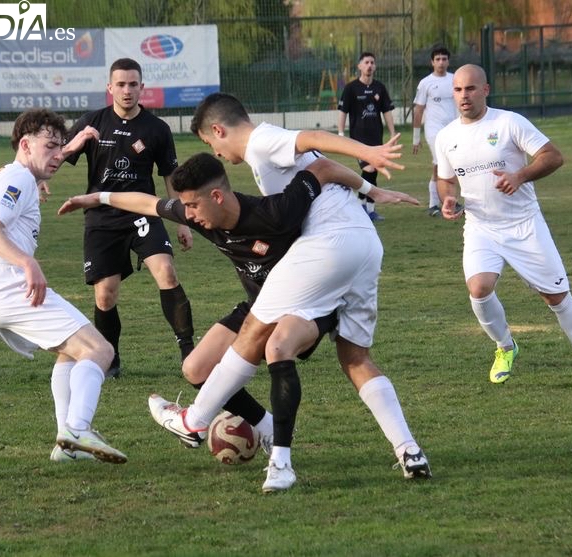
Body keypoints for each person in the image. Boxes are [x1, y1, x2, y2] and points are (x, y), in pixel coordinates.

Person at [150, 92, 430, 493]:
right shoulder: (267, 149)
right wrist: (372, 191)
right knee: (355, 357)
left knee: (255, 330)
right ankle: (409, 451)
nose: (216, 153)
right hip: (365, 245)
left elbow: (314, 138)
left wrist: (367, 151)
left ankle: (194, 421)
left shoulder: (261, 142)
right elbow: (325, 167)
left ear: (218, 130)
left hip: (328, 244)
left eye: (210, 143)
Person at [59, 153, 354, 454]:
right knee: (195, 368)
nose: (188, 215)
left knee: (276, 349)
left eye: (192, 205)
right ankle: (266, 427)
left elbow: (321, 168)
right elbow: (148, 203)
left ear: (216, 197)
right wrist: (98, 197)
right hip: (259, 305)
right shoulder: (202, 216)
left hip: (304, 307)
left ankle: (206, 427)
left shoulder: (275, 212)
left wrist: (370, 190)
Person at [0, 108, 128, 465]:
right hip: (5, 285)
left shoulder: (6, 175)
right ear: (25, 145)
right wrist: (27, 262)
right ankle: (77, 429)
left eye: (60, 147)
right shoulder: (19, 178)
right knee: (100, 351)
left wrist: (57, 158)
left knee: (70, 350)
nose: (57, 155)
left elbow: (17, 187)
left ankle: (66, 445)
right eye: (50, 147)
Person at [435, 64, 572, 390]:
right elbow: (445, 180)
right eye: (457, 90)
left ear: (485, 90)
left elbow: (552, 156)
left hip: (524, 225)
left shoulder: (509, 122)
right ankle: (505, 346)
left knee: (556, 297)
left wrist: (520, 176)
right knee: (478, 290)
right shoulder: (446, 137)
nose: (463, 96)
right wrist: (448, 199)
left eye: (470, 88)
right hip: (480, 226)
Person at [62, 58, 194, 378]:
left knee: (167, 272)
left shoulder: (157, 129)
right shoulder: (92, 122)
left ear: (142, 87)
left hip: (143, 212)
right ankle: (111, 359)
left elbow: (170, 176)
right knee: (105, 294)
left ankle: (189, 351)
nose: (127, 90)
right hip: (102, 218)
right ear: (110, 87)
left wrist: (181, 221)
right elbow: (60, 154)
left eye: (133, 84)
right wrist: (40, 179)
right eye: (120, 84)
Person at [337, 52, 396, 222]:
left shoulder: (379, 88)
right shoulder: (351, 88)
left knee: (372, 171)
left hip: (376, 137)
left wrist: (392, 132)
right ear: (359, 66)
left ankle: (364, 207)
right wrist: (340, 134)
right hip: (358, 139)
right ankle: (366, 208)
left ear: (375, 66)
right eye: (366, 62)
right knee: (369, 169)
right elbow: (343, 112)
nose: (369, 65)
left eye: (372, 62)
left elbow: (387, 111)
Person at [412, 46, 457, 216]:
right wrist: (416, 138)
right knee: (440, 164)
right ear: (432, 62)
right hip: (434, 130)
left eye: (444, 59)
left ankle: (448, 201)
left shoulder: (455, 79)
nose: (441, 62)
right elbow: (418, 110)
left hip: (453, 129)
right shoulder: (425, 83)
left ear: (448, 61)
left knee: (451, 165)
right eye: (437, 59)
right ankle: (434, 204)